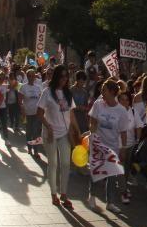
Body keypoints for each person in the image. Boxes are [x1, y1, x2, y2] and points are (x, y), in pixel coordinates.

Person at [38, 64, 81, 210]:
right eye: (61, 76)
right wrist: (48, 127)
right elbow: (39, 113)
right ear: (56, 76)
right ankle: (53, 194)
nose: (64, 79)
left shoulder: (68, 93)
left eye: (66, 76)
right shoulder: (47, 92)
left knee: (65, 163)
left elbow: (71, 114)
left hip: (64, 133)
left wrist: (77, 131)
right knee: (53, 163)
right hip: (50, 133)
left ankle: (64, 194)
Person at [87, 79, 130, 213]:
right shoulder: (98, 104)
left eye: (104, 90)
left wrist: (123, 148)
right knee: (97, 172)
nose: (101, 92)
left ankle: (110, 202)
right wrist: (93, 135)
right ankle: (92, 197)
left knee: (112, 176)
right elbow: (92, 122)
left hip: (113, 147)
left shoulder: (121, 111)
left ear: (112, 92)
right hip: (98, 145)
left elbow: (123, 132)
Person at [20, 69, 44, 157]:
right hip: (27, 113)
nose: (31, 77)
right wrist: (22, 110)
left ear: (35, 77)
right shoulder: (23, 87)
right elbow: (20, 100)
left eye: (33, 76)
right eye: (29, 76)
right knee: (29, 131)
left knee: (36, 131)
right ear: (27, 76)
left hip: (36, 113)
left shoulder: (38, 87)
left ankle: (36, 150)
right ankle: (29, 148)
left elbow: (41, 100)